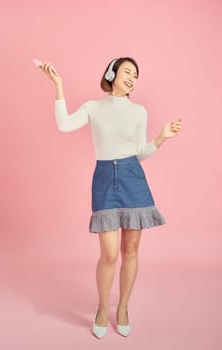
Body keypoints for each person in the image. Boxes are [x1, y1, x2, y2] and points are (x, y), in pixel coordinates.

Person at [39, 57, 181, 339]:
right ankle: (103, 308)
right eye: (128, 71)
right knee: (109, 253)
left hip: (133, 178)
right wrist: (59, 85)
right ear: (111, 73)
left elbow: (139, 152)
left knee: (131, 251)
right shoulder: (94, 107)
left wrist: (162, 137)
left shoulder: (139, 111)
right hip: (104, 179)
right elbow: (64, 125)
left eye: (136, 75)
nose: (133, 78)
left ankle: (123, 307)